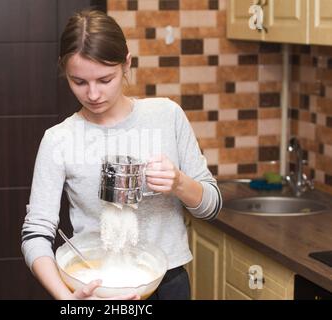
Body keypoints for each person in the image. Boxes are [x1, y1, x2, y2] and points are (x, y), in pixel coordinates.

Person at [21, 9, 222, 300]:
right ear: (65, 71)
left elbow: (212, 206)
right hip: (95, 285)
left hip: (167, 285)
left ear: (126, 63)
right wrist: (67, 300)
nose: (93, 94)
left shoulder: (167, 116)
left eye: (105, 79)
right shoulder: (58, 139)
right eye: (79, 82)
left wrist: (178, 183)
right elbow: (36, 234)